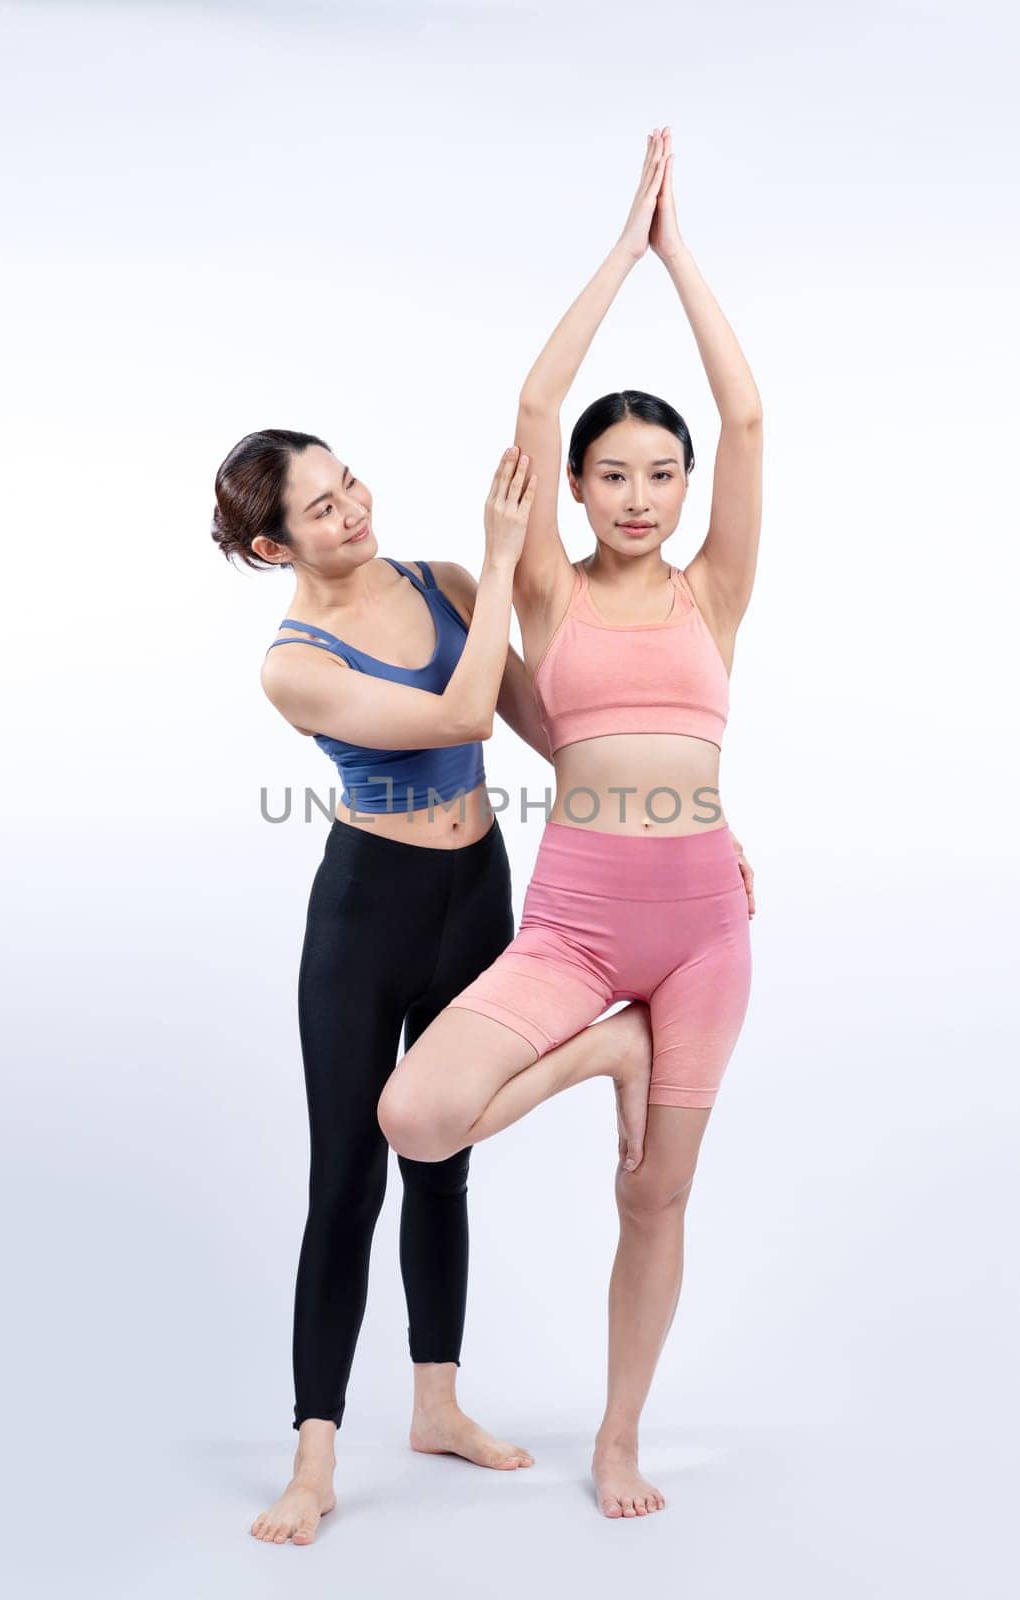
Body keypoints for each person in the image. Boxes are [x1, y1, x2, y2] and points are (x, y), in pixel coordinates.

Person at [213, 434, 755, 1545]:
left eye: (348, 480)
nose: (354, 509)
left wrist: (698, 818)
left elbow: (559, 733)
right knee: (349, 1177)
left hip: (479, 886)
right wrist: (506, 557)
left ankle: (436, 1404)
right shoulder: (294, 662)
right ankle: (313, 1458)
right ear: (275, 546)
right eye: (320, 509)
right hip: (371, 910)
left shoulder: (442, 584)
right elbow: (460, 717)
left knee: (444, 1164)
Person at [378, 125, 762, 1520]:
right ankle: (605, 1047)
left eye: (662, 474)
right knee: (417, 1118)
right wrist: (627, 248)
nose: (642, 496)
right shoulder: (548, 590)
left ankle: (618, 1437)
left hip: (705, 931)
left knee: (653, 1201)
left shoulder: (714, 587)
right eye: (616, 476)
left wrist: (689, 261)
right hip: (581, 922)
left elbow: (751, 421)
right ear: (580, 490)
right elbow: (535, 406)